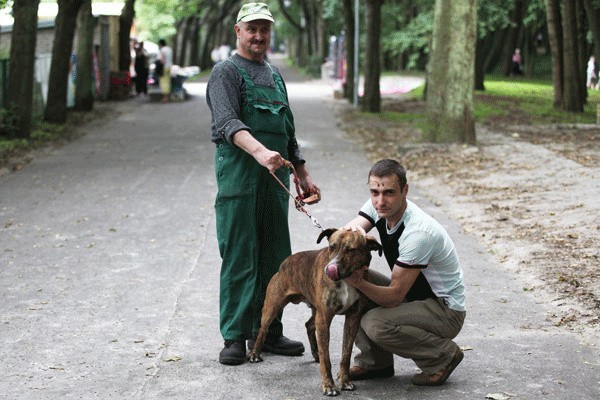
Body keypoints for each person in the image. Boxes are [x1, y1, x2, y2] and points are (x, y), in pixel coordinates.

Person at [206, 2, 321, 366]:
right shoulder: (226, 72)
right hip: (240, 177)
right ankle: (235, 336)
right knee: (240, 255)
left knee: (275, 257)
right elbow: (226, 122)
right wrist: (258, 152)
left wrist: (301, 173)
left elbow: (288, 131)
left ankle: (267, 332)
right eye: (252, 29)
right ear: (237, 31)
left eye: (264, 30)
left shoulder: (274, 75)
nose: (258, 36)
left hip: (275, 181)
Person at [343, 159, 466, 386]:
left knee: (375, 323)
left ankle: (442, 356)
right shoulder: (378, 206)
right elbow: (353, 230)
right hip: (416, 299)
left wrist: (359, 282)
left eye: (389, 192)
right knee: (347, 281)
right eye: (374, 192)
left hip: (445, 310)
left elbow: (394, 296)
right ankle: (375, 363)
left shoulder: (418, 232)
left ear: (405, 190)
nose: (381, 201)